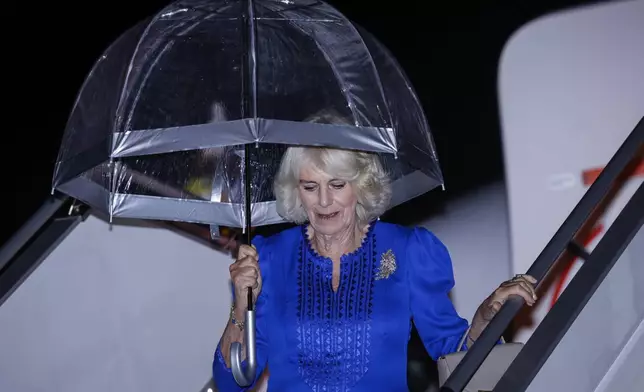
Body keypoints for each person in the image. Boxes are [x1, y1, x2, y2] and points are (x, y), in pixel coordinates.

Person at [212, 146, 537, 391]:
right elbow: (235, 381)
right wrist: (241, 304)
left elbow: (453, 350)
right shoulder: (268, 258)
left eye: (337, 185)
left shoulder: (408, 250)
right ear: (296, 191)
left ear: (361, 185)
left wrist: (485, 317)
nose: (324, 202)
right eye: (310, 187)